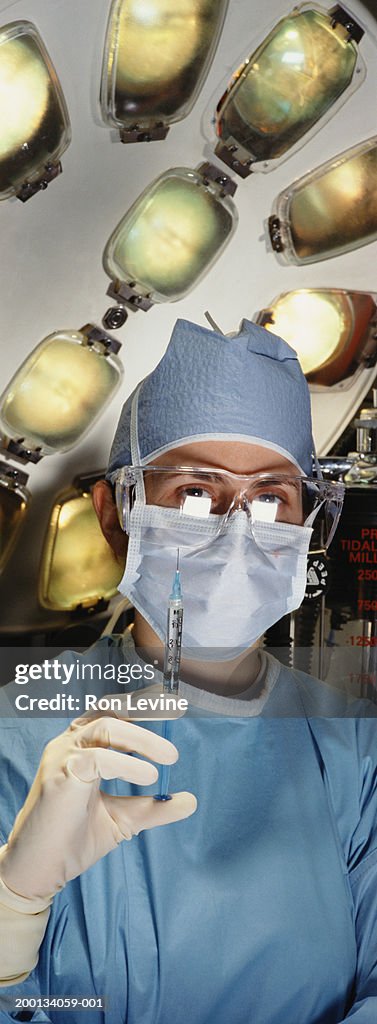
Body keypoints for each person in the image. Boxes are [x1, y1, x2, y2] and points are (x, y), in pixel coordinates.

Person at [0, 317, 377, 1024]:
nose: (240, 530)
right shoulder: (19, 736)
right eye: (195, 495)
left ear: (305, 526)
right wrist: (11, 909)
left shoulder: (354, 752)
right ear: (115, 514)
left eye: (270, 499)